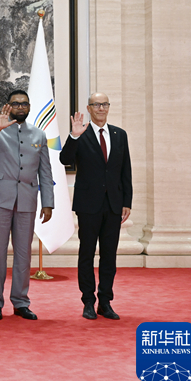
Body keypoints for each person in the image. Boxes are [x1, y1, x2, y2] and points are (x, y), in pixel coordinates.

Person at [0, 90, 53, 321]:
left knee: (23, 254)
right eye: (15, 104)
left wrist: (48, 202)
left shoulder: (38, 134)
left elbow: (45, 172)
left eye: (24, 104)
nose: (20, 107)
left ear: (29, 107)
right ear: (7, 106)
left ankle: (20, 302)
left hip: (27, 200)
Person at [59, 93, 132, 320]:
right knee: (87, 254)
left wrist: (127, 202)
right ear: (89, 109)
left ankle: (106, 301)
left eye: (105, 104)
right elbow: (65, 159)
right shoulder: (81, 133)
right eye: (96, 105)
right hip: (88, 205)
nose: (101, 108)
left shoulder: (120, 135)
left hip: (113, 205)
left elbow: (125, 171)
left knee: (109, 256)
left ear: (108, 107)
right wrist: (73, 135)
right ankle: (88, 302)